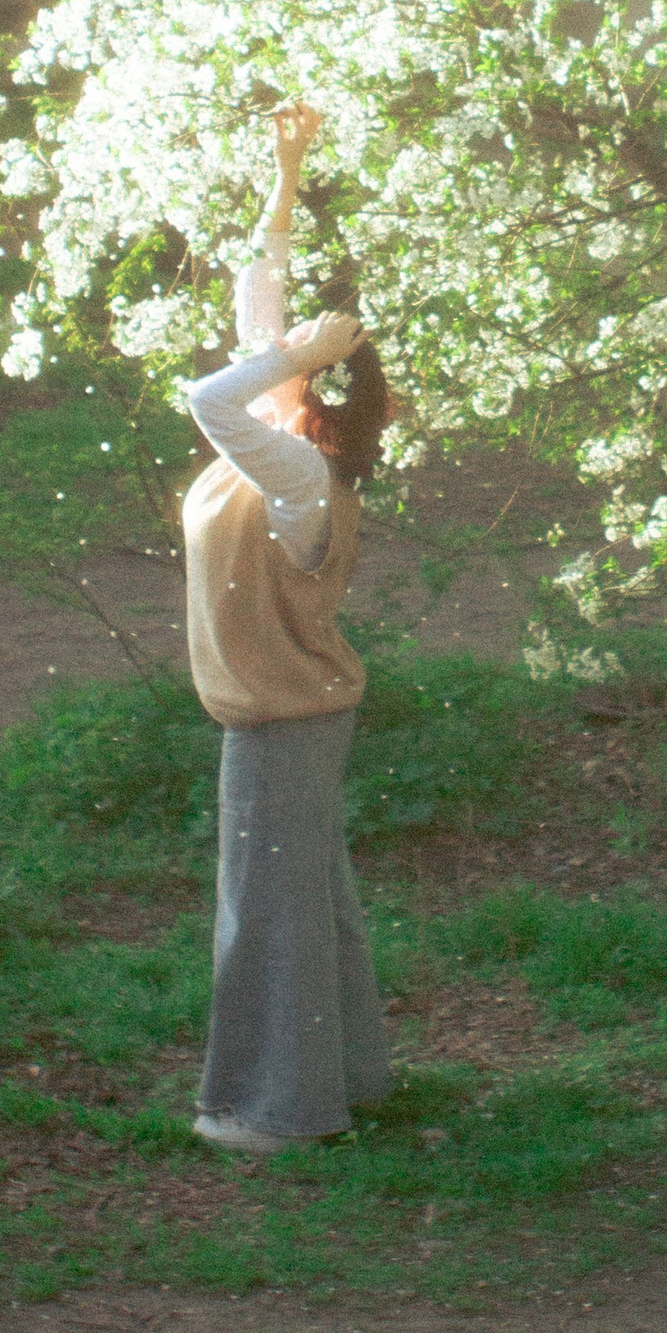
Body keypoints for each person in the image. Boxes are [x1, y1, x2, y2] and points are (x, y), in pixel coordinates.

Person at [180, 101, 393, 1159]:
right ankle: (346, 1081)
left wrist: (300, 347)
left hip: (283, 720)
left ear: (313, 394)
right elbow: (255, 305)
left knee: (268, 913)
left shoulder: (299, 473)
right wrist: (286, 170)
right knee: (310, 898)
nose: (276, 351)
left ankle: (277, 1110)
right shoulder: (287, 441)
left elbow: (207, 395)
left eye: (298, 358)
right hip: (291, 716)